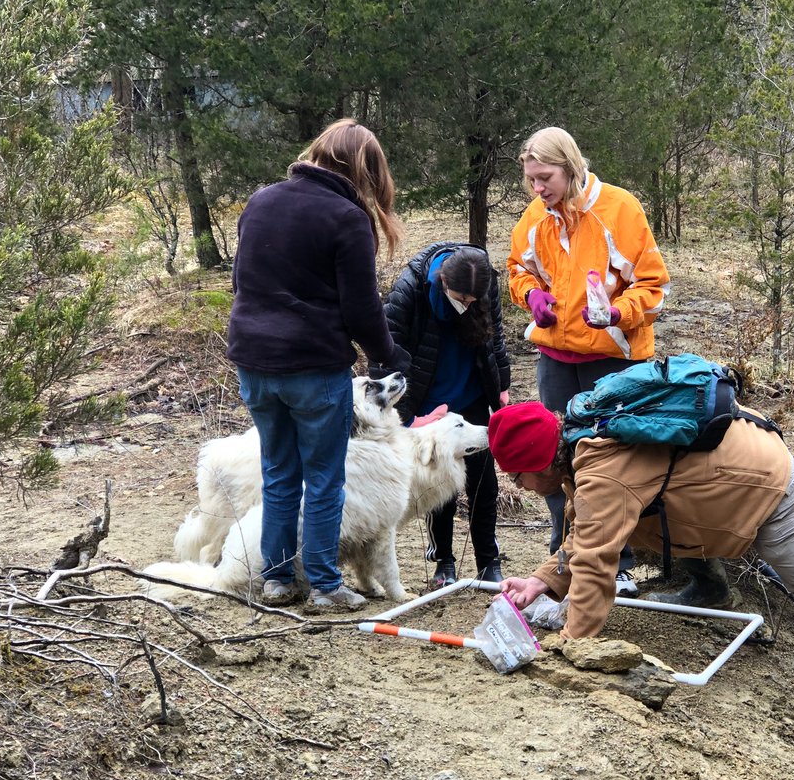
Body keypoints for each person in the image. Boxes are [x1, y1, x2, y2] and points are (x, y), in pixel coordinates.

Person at [486, 401, 794, 729]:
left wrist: (571, 641)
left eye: (517, 475)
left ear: (540, 460)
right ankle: (712, 586)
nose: (518, 486)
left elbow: (598, 559)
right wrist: (542, 582)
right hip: (722, 473)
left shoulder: (604, 471)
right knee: (653, 514)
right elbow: (585, 527)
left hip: (761, 487)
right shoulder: (578, 432)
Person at [227, 118, 411, 612]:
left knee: (279, 472)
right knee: (325, 477)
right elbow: (362, 309)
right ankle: (327, 585)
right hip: (312, 366)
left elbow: (240, 285)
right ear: (364, 169)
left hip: (254, 363)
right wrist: (389, 356)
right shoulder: (345, 217)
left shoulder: (261, 200)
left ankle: (278, 579)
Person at [507, 126, 669, 597]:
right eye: (531, 180)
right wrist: (531, 295)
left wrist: (619, 312)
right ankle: (565, 558)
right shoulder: (537, 215)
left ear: (571, 168)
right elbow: (518, 268)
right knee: (556, 463)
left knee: (614, 464)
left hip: (613, 362)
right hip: (555, 358)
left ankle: (618, 562)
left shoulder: (620, 208)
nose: (538, 189)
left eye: (546, 177)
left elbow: (653, 287)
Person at [374, 242, 511, 588]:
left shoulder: (484, 284)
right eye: (461, 299)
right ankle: (443, 561)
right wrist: (405, 419)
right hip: (428, 399)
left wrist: (502, 387)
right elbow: (385, 353)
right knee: (439, 487)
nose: (467, 306)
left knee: (484, 483)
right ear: (442, 281)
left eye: (472, 301)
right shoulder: (411, 290)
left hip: (473, 392)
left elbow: (496, 338)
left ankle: (488, 562)